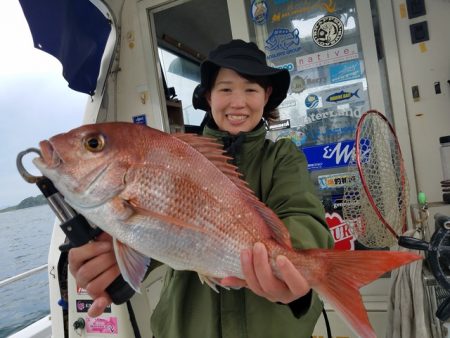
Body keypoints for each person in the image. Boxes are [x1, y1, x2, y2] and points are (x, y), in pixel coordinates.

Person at [69, 39, 334, 338]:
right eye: (225, 89)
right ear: (208, 95)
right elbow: (162, 240)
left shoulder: (282, 157)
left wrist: (288, 268)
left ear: (266, 95)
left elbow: (305, 217)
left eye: (251, 89)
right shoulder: (178, 155)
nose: (238, 101)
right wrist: (114, 260)